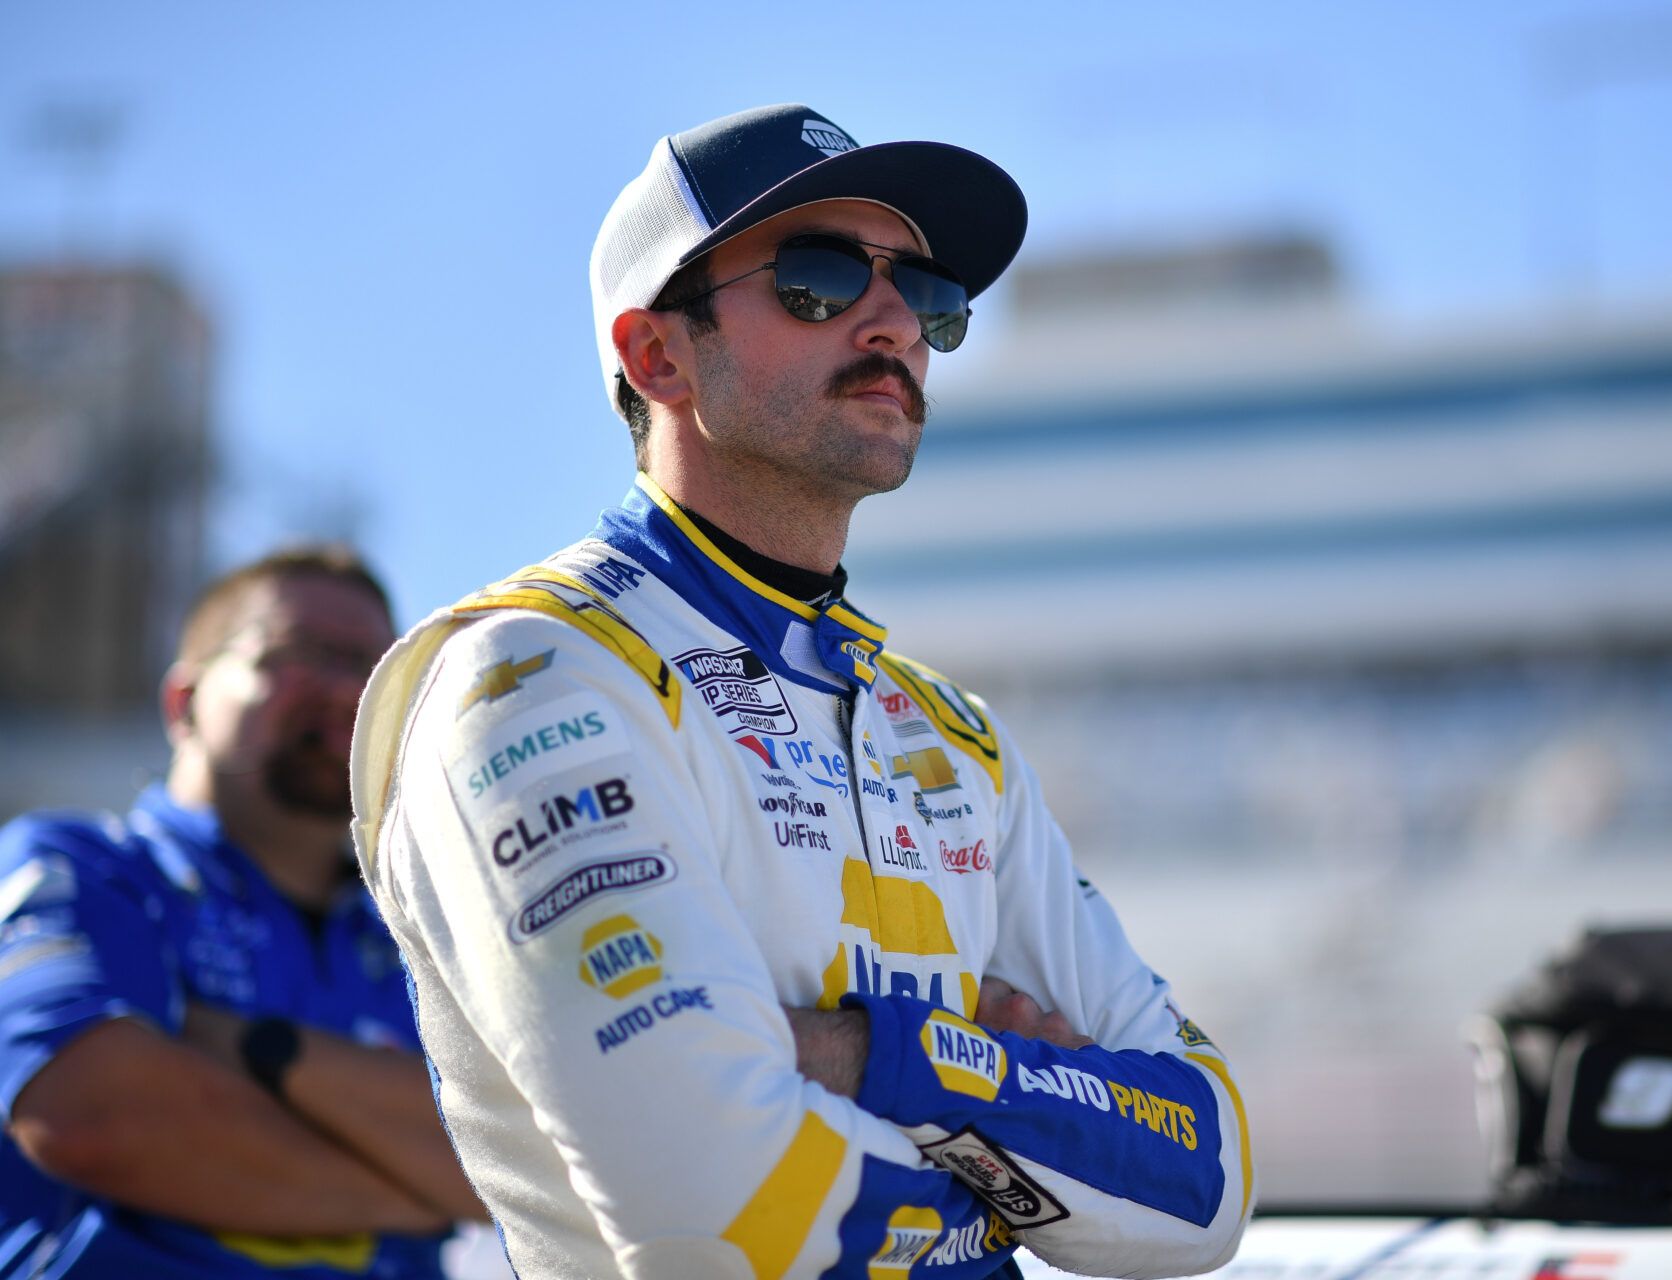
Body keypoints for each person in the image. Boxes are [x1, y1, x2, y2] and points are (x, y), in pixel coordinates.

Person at [349, 103, 1254, 1279]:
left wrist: (877, 1053)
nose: (895, 322)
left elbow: (1206, 1184)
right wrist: (1020, 1116)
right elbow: (716, 1217)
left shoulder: (946, 733)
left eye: (927, 294)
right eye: (820, 279)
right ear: (655, 354)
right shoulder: (529, 674)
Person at [0, 548, 487, 1279]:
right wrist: (413, 1191)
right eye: (300, 655)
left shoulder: (430, 940)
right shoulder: (82, 866)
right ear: (183, 703)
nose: (348, 690)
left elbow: (531, 1161)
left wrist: (254, 1048)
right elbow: (92, 1118)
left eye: (376, 668)